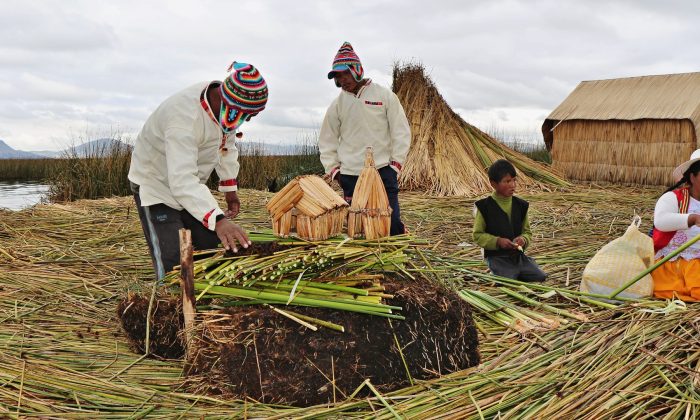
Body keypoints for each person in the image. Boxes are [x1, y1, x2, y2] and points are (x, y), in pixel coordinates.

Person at [128, 62, 268, 280]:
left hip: (189, 185)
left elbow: (226, 146)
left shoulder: (227, 109)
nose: (246, 120)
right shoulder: (183, 120)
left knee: (210, 246)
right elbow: (182, 181)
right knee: (175, 260)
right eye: (246, 115)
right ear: (228, 102)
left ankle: (204, 302)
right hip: (156, 184)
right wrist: (219, 220)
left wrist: (230, 190)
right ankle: (172, 303)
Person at [319, 42, 411, 235]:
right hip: (351, 174)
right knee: (359, 227)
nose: (343, 80)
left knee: (391, 223)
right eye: (338, 76)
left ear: (357, 70)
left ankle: (394, 254)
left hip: (382, 170)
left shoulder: (384, 96)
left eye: (346, 73)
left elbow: (400, 131)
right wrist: (335, 171)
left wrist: (395, 165)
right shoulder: (337, 105)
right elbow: (327, 140)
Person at [472, 159, 546, 282]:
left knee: (540, 276)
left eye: (514, 180)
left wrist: (523, 240)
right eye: (507, 181)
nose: (513, 185)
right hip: (497, 257)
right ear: (493, 184)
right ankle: (498, 271)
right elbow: (477, 235)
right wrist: (497, 241)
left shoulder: (521, 205)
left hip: (517, 256)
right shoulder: (484, 207)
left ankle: (522, 267)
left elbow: (527, 232)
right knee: (508, 280)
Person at [651, 149, 700, 300]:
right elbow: (661, 221)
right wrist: (692, 218)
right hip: (677, 260)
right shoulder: (673, 198)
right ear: (692, 177)